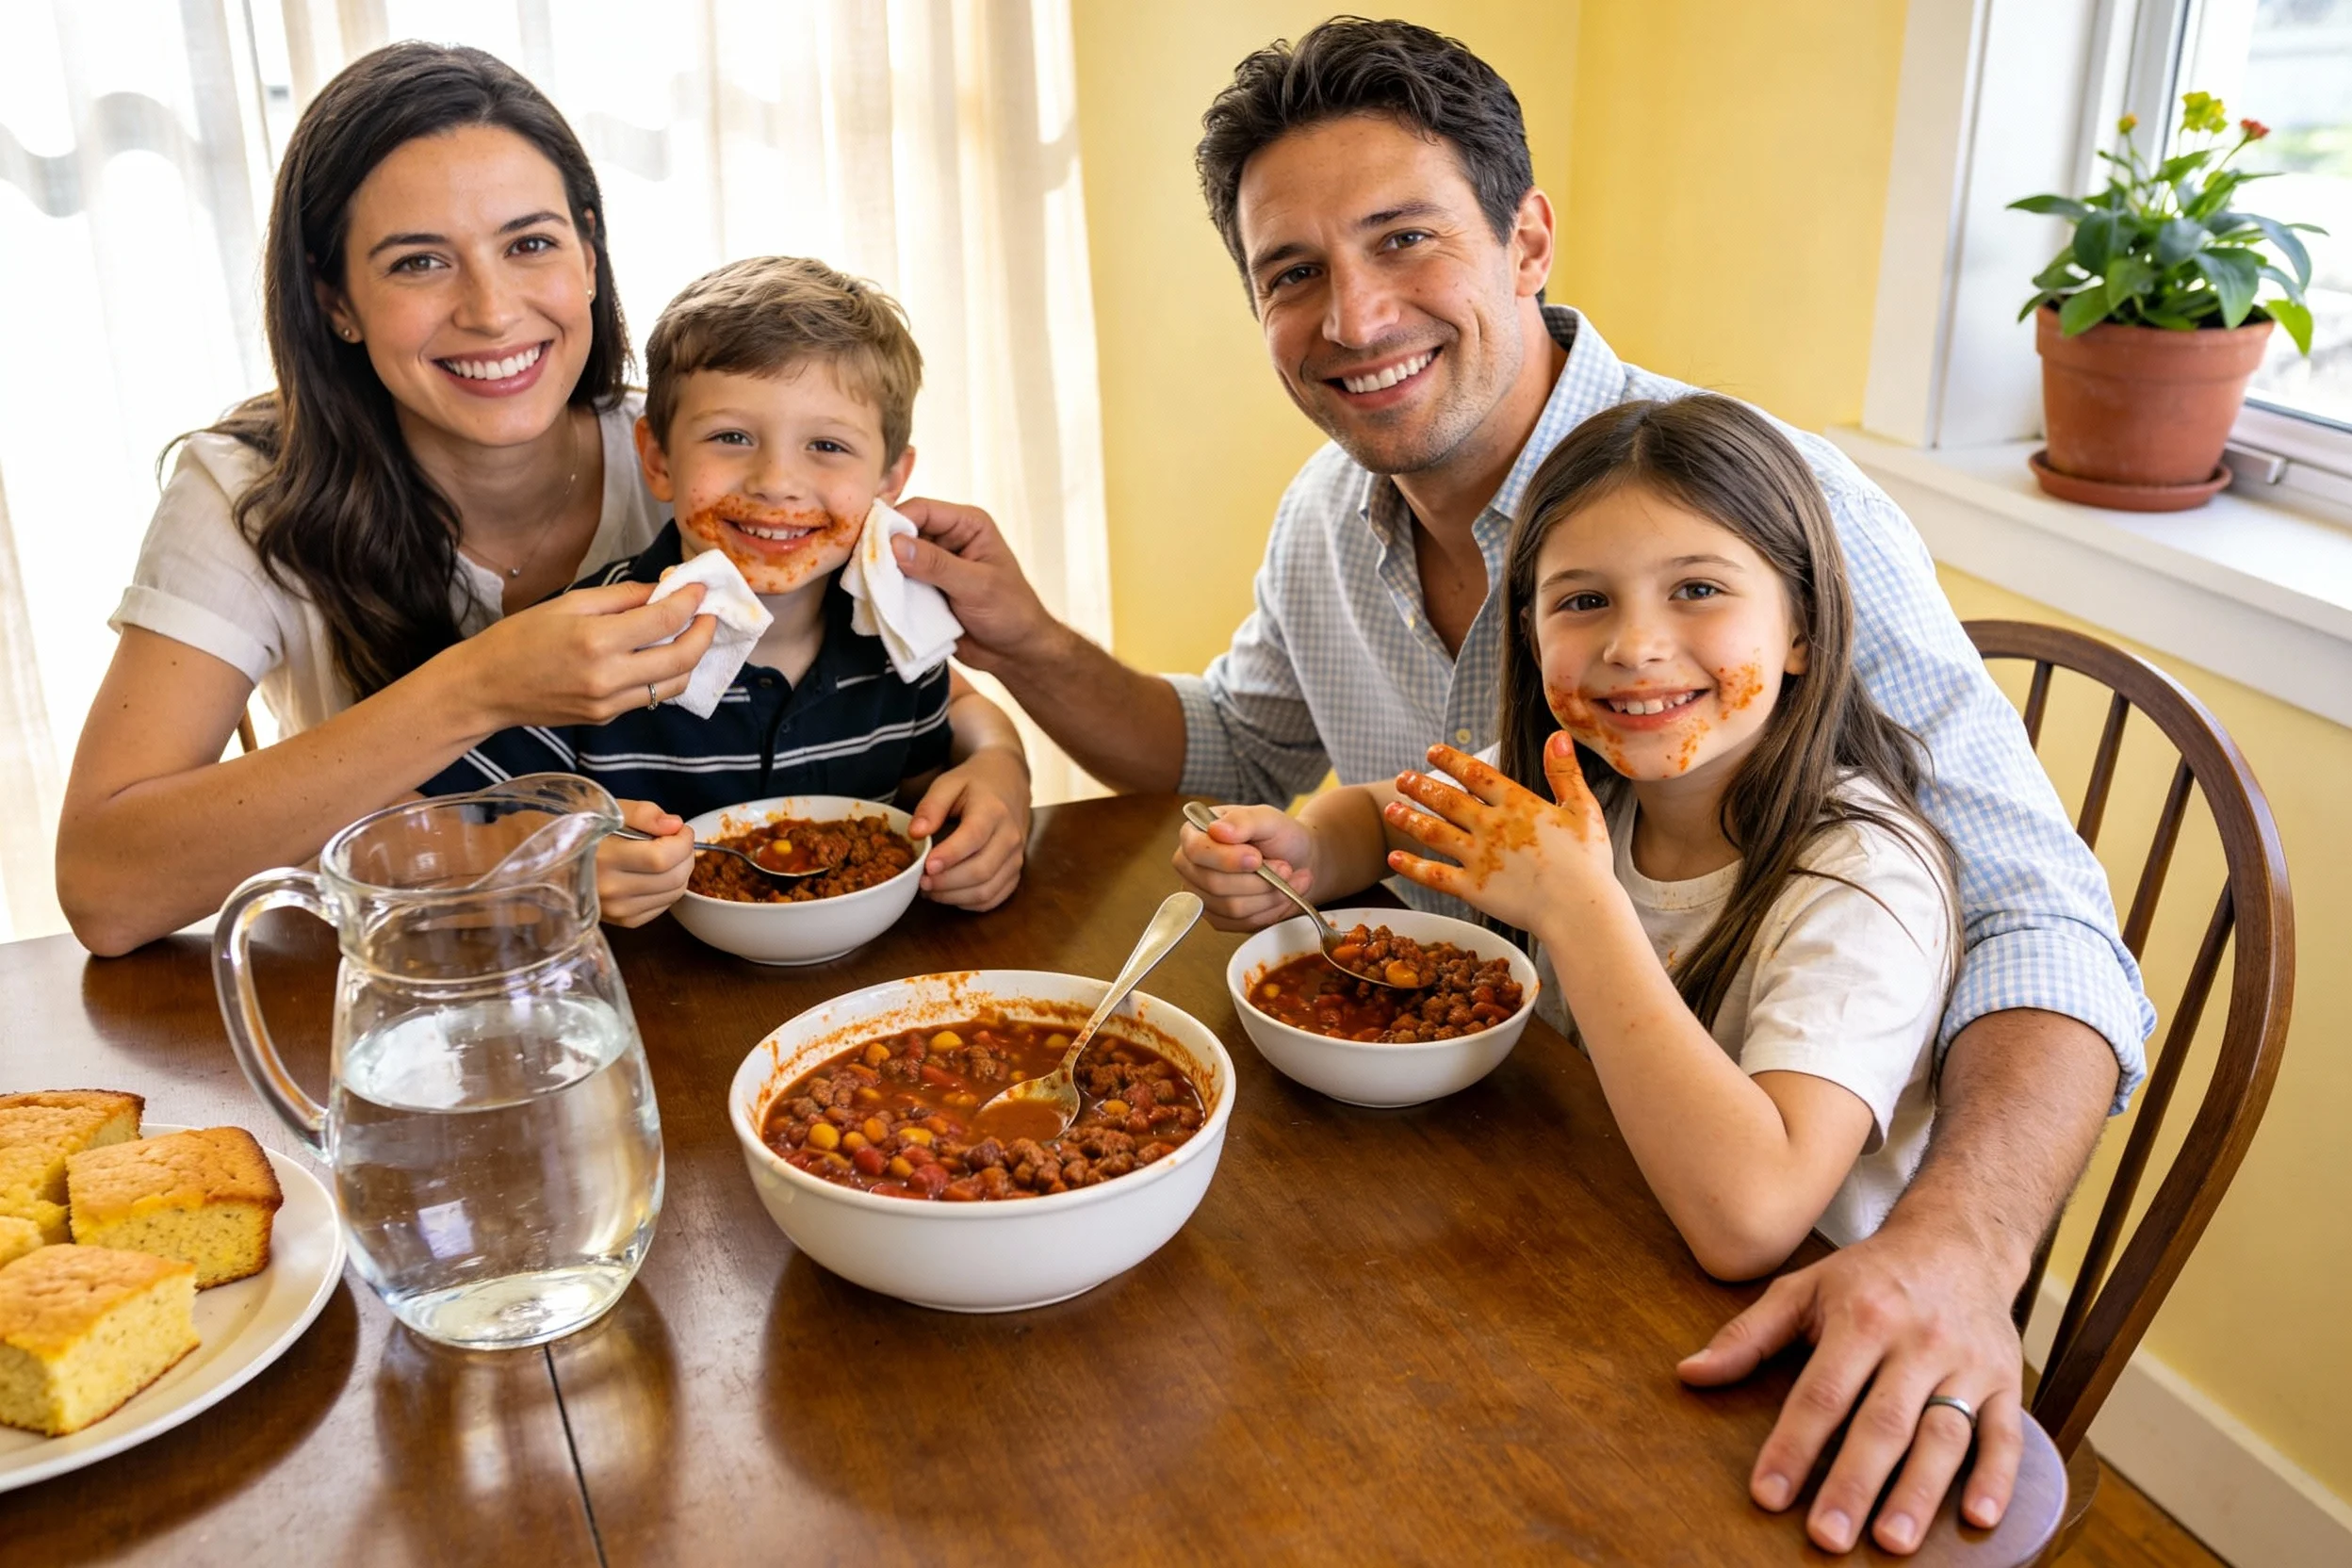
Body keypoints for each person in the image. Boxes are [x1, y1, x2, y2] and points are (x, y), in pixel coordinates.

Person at [886, 18, 2152, 1557]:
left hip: (1728, 1273)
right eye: (1292, 272)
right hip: (1496, 1163)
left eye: (1404, 239)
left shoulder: (1761, 511)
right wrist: (1022, 636)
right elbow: (1246, 747)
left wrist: (1962, 1241)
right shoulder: (1327, 508)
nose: (1353, 316)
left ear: (1528, 235)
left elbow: (2044, 914)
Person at [1186, 393, 1959, 1282]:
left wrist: (1579, 906)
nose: (1634, 645)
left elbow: (1754, 1220)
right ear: (1529, 632)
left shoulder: (1864, 882)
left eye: (1697, 590)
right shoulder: (1577, 780)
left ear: (1802, 627)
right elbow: (1375, 816)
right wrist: (1305, 851)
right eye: (1584, 601)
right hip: (1574, 1228)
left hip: (1773, 1336)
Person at [58, 42, 724, 956]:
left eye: (530, 244)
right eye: (419, 263)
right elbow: (104, 886)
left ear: (590, 254)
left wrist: (997, 746)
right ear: (336, 300)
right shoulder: (247, 489)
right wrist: (483, 686)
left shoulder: (697, 460)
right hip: (396, 1007)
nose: (491, 310)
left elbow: (891, 686)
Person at [421, 256, 1031, 918]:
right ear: (657, 459)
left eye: (827, 446)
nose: (775, 480)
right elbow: (442, 836)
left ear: (888, 481)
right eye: (731, 436)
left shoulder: (897, 632)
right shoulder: (580, 646)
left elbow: (928, 789)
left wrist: (985, 800)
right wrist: (554, 866)